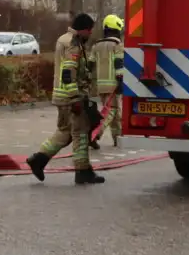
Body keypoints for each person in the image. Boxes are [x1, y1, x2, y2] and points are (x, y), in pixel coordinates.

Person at [26, 13, 106, 185]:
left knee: (65, 132)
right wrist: (75, 98)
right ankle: (83, 171)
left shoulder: (64, 39)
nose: (90, 34)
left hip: (61, 96)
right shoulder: (74, 43)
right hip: (71, 98)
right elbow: (69, 72)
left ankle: (38, 159)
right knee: (81, 134)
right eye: (90, 30)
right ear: (84, 29)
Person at [91, 14, 124, 147]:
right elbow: (119, 64)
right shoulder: (117, 45)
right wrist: (120, 81)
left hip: (100, 84)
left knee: (115, 113)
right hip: (113, 84)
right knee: (112, 110)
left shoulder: (96, 46)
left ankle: (118, 138)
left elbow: (90, 64)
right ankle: (95, 133)